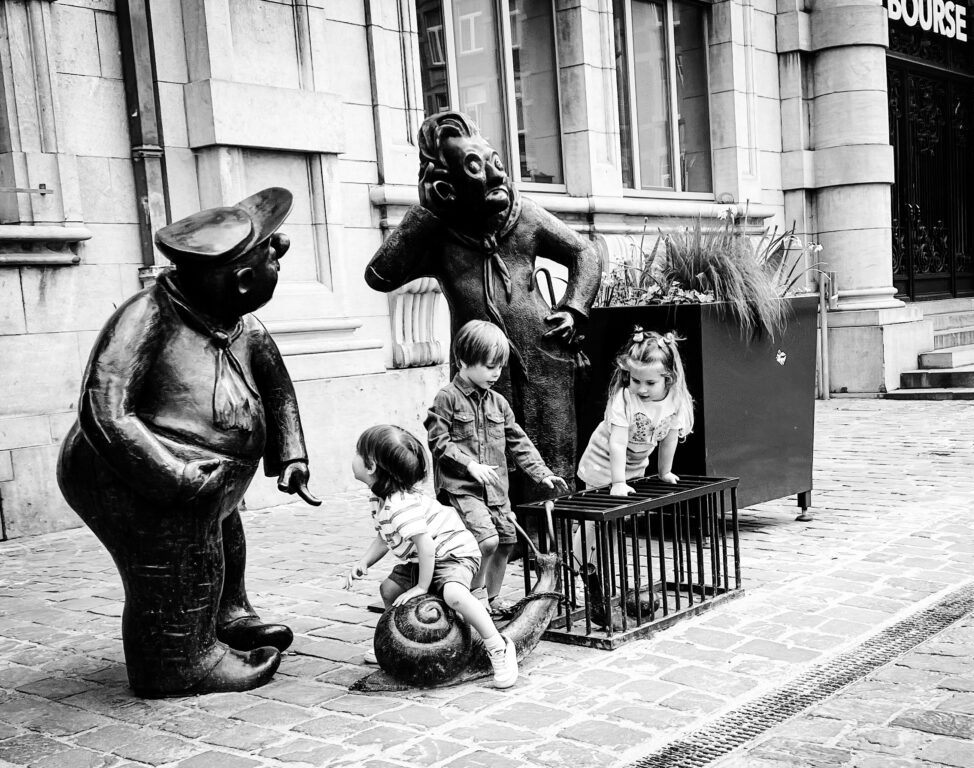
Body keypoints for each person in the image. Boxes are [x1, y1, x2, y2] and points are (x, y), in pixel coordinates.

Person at [57, 188, 320, 698]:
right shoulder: (146, 315)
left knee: (225, 541)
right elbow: (105, 408)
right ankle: (178, 661)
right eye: (271, 252)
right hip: (132, 477)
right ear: (242, 282)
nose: (280, 250)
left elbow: (279, 394)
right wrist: (172, 476)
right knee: (178, 561)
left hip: (207, 481)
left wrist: (290, 455)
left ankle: (228, 616)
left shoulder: (244, 327)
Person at [365, 111, 601, 507]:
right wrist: (424, 215)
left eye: (497, 164)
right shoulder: (438, 234)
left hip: (541, 353)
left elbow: (584, 252)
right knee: (483, 447)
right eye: (475, 169)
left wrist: (574, 308)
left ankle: (552, 531)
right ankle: (498, 533)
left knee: (553, 447)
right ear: (446, 186)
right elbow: (379, 275)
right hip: (478, 366)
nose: (496, 177)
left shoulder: (524, 216)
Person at [344, 425, 519, 689]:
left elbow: (426, 546)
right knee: (389, 588)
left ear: (370, 466)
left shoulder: (399, 506)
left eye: (359, 452)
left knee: (455, 595)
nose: (353, 456)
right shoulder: (379, 500)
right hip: (423, 558)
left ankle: (498, 646)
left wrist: (421, 587)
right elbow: (384, 535)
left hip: (454, 554)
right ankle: (393, 643)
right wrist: (364, 562)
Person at [424, 321, 568, 616]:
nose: (496, 374)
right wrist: (469, 465)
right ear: (464, 361)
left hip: (496, 490)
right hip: (462, 489)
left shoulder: (499, 404)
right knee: (485, 540)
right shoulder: (447, 398)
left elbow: (519, 443)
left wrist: (543, 473)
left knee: (505, 541)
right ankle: (472, 599)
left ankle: (491, 597)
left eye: (500, 367)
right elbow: (437, 441)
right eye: (490, 366)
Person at [573, 328, 695, 571]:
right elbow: (616, 443)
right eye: (635, 380)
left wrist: (664, 472)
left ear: (668, 378)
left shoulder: (675, 400)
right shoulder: (625, 398)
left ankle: (598, 569)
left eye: (650, 382)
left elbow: (669, 439)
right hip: (603, 461)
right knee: (596, 519)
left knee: (617, 519)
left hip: (633, 466)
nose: (641, 389)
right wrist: (617, 481)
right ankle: (575, 567)